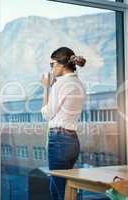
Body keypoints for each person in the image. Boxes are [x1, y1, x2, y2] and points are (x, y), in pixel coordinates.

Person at [41, 47, 86, 200]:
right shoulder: (78, 83)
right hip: (72, 141)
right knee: (59, 189)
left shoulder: (60, 84)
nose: (51, 68)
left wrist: (46, 87)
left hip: (59, 140)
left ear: (61, 65)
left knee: (62, 192)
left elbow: (47, 114)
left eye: (52, 64)